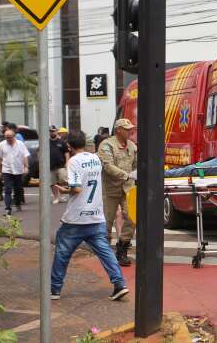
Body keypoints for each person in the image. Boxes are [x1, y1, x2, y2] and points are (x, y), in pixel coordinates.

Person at [50, 130, 129, 301]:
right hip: (96, 216)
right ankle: (119, 284)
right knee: (105, 252)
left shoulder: (73, 162)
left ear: (69, 145)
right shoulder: (95, 159)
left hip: (76, 218)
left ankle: (55, 289)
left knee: (62, 253)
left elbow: (77, 188)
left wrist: (65, 189)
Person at [97, 119, 137, 267]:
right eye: (127, 129)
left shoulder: (132, 146)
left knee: (132, 217)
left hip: (128, 188)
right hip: (111, 189)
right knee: (106, 221)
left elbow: (135, 164)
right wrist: (127, 175)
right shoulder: (107, 145)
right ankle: (104, 251)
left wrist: (135, 174)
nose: (130, 131)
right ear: (118, 129)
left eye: (131, 129)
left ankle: (123, 247)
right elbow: (107, 166)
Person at [0, 130, 29, 215]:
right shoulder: (1, 144)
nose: (8, 139)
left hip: (18, 169)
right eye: (6, 137)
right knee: (8, 189)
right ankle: (8, 208)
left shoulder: (20, 144)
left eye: (10, 137)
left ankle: (17, 203)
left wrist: (26, 167)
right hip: (7, 170)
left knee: (18, 189)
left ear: (14, 136)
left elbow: (25, 156)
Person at [49, 125, 70, 204]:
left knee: (62, 180)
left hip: (61, 165)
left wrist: (67, 162)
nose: (52, 132)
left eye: (53, 131)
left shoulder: (62, 142)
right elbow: (39, 151)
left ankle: (61, 195)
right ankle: (56, 197)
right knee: (52, 183)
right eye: (51, 131)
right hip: (50, 166)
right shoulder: (46, 142)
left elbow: (66, 153)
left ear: (57, 131)